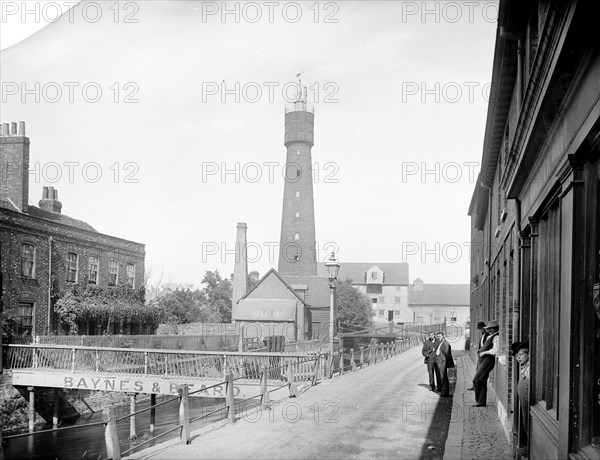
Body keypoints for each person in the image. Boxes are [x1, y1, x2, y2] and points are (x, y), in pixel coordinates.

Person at [472, 320, 499, 407]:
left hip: (488, 359)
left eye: (492, 329)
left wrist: (484, 353)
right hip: (483, 359)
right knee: (482, 380)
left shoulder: (496, 337)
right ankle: (481, 402)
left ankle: (478, 400)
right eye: (489, 329)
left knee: (476, 379)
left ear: (495, 328)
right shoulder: (489, 336)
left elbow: (495, 350)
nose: (490, 330)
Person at [511, 341, 530, 433]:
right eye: (516, 356)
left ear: (528, 354)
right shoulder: (524, 366)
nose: (518, 358)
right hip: (524, 401)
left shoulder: (530, 368)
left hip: (529, 401)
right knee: (524, 417)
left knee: (528, 419)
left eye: (521, 354)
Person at [467, 321, 488, 391]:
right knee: (477, 370)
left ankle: (477, 386)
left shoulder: (487, 335)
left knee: (480, 372)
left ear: (484, 328)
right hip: (481, 356)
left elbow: (486, 346)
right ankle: (474, 385)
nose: (480, 330)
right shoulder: (483, 335)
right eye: (480, 329)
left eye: (481, 329)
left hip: (484, 356)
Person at [434, 331, 455, 397]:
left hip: (443, 362)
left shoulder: (445, 343)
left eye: (440, 336)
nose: (438, 337)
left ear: (443, 336)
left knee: (443, 378)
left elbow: (448, 354)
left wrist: (446, 363)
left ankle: (445, 393)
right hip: (439, 362)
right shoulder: (441, 342)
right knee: (441, 377)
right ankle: (443, 392)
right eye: (438, 336)